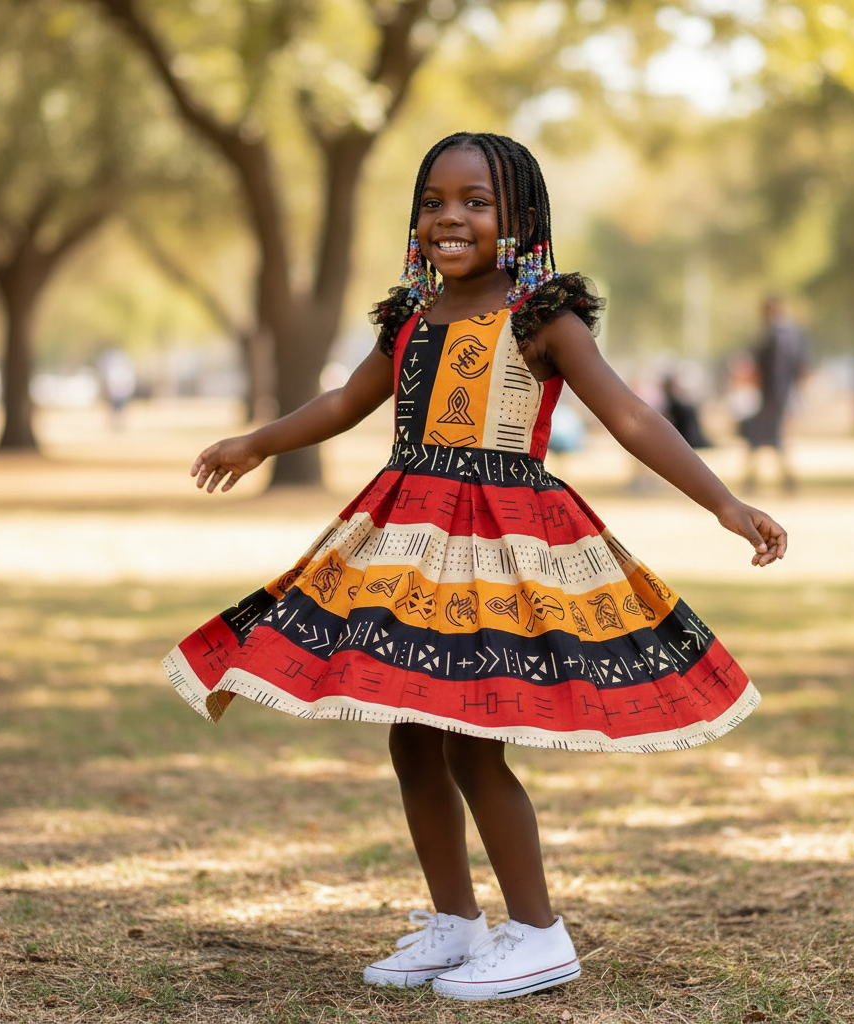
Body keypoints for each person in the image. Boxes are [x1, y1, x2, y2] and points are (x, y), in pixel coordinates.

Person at [162, 133, 787, 1002]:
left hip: (499, 545)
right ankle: (457, 923)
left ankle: (539, 934)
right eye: (433, 202)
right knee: (410, 735)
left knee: (471, 741)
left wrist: (725, 503)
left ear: (521, 219)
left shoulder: (544, 319)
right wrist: (258, 442)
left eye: (476, 202)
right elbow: (346, 403)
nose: (450, 218)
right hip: (405, 541)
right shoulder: (409, 317)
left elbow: (632, 417)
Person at [738, 295, 808, 491]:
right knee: (769, 436)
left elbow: (776, 368)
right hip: (778, 395)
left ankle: (757, 479)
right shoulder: (791, 334)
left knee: (761, 435)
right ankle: (781, 478)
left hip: (774, 395)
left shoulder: (775, 336)